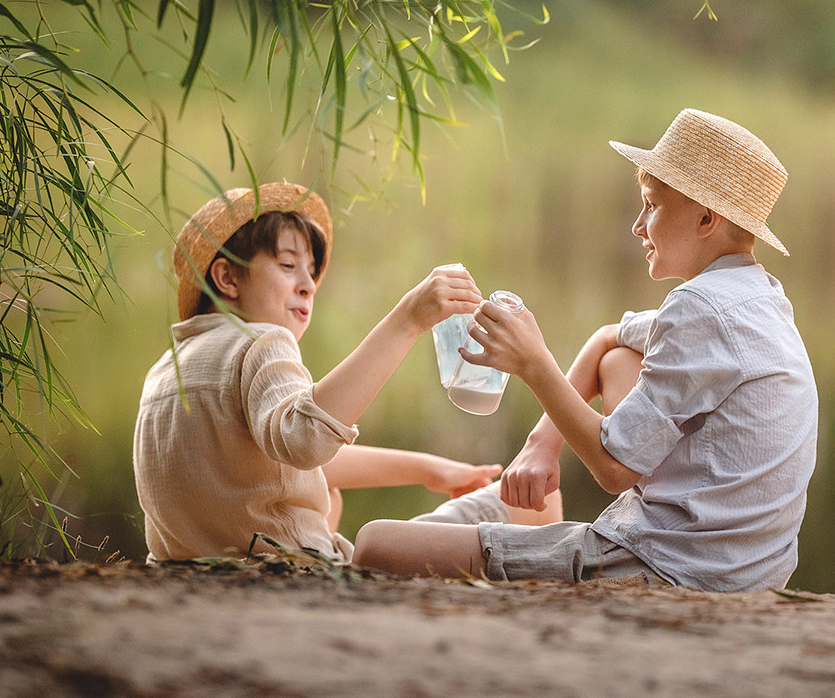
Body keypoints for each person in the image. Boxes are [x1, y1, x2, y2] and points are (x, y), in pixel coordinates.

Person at [352, 109, 818, 591]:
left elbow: (614, 471)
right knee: (618, 359)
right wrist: (541, 445)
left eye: (651, 206)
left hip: (673, 570)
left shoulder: (698, 307)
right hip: (751, 571)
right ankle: (508, 529)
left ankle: (514, 539)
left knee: (373, 545)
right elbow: (606, 339)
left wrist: (533, 364)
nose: (639, 226)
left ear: (706, 218)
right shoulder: (760, 298)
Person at [133, 181, 559, 564]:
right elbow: (305, 441)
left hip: (190, 569)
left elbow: (269, 465)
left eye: (312, 272)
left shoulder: (168, 369)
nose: (308, 284)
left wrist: (430, 470)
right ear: (227, 277)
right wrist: (407, 319)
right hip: (286, 572)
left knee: (328, 497)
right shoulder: (261, 341)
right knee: (536, 499)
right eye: (287, 266)